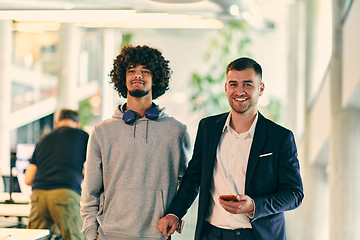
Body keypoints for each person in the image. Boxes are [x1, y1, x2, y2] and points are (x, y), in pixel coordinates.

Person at [157, 57, 304, 240]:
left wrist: (254, 205)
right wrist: (174, 213)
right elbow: (194, 178)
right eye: (233, 84)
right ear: (226, 88)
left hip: (257, 235)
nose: (239, 91)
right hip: (211, 233)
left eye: (248, 84)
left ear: (261, 88)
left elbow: (294, 194)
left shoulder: (280, 137)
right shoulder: (208, 128)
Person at [80, 44, 191, 240]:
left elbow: (187, 184)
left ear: (155, 78)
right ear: (123, 78)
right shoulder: (101, 132)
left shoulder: (176, 131)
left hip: (156, 235)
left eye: (145, 71)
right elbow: (90, 192)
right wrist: (91, 234)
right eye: (131, 70)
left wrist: (176, 214)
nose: (137, 75)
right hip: (109, 235)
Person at [25, 109, 89, 240]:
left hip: (39, 195)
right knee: (75, 237)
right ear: (78, 123)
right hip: (65, 194)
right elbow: (91, 170)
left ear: (56, 122)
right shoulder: (83, 136)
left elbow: (28, 179)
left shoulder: (43, 139)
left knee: (36, 237)